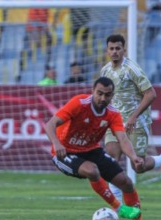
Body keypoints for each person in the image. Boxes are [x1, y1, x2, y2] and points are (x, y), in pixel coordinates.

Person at [44, 77, 142, 219]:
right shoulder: (79, 103)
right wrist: (56, 143)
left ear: (112, 96)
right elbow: (50, 125)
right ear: (93, 92)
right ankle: (119, 208)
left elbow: (123, 139)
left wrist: (134, 157)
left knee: (126, 182)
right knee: (92, 170)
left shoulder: (113, 113)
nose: (103, 98)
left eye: (107, 95)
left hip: (91, 150)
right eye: (99, 93)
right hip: (65, 152)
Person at [100, 34, 161, 203]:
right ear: (107, 51)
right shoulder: (105, 70)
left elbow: (151, 94)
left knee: (137, 166)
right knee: (111, 161)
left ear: (124, 50)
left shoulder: (132, 69)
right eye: (111, 48)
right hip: (115, 121)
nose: (115, 52)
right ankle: (117, 208)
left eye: (118, 48)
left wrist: (133, 117)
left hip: (136, 121)